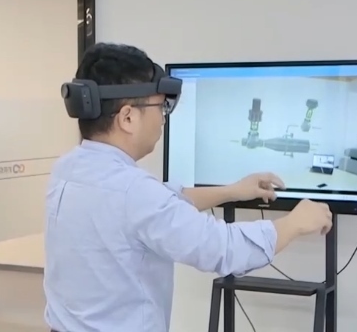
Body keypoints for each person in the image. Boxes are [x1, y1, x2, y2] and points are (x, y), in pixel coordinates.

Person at [45, 43, 334, 332]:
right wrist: (295, 223)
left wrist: (231, 191)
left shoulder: (68, 168)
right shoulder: (134, 193)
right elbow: (222, 248)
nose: (163, 118)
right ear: (128, 117)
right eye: (161, 107)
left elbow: (161, 202)